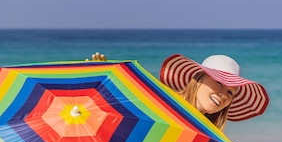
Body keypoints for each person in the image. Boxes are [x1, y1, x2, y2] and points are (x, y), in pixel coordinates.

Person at [87, 52, 269, 131]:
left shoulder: (207, 134)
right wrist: (101, 78)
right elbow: (123, 106)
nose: (223, 94)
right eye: (220, 83)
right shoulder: (160, 101)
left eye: (231, 93)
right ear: (199, 78)